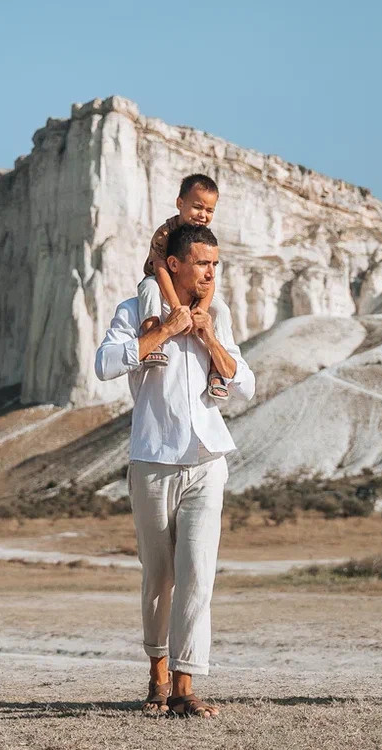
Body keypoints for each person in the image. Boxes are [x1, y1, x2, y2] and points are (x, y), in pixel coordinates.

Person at [95, 223, 255, 718]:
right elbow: (103, 364)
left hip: (208, 462)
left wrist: (209, 338)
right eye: (202, 263)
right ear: (174, 265)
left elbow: (245, 385)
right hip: (152, 461)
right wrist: (165, 330)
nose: (210, 273)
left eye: (215, 264)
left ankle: (186, 683)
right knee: (159, 575)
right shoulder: (136, 311)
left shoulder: (219, 315)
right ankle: (157, 669)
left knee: (197, 573)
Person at [139, 173, 231, 400]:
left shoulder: (204, 237)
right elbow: (160, 269)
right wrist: (176, 308)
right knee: (148, 288)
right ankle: (153, 340)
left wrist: (200, 310)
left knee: (220, 310)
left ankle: (216, 372)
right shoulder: (165, 233)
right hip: (161, 282)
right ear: (180, 203)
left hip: (193, 289)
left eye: (210, 211)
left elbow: (210, 278)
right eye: (198, 207)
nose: (203, 215)